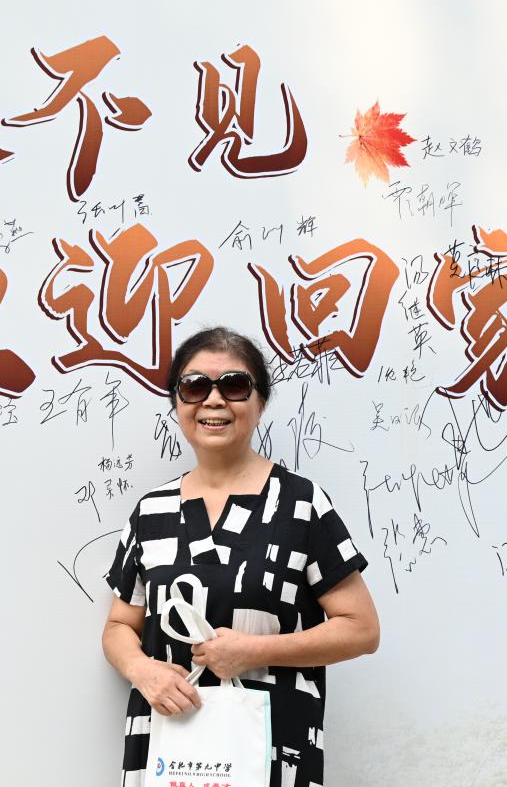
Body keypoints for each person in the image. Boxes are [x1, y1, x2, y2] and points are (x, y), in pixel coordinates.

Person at [102, 327, 380, 787]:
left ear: (260, 402)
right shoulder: (152, 512)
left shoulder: (301, 505)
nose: (213, 400)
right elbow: (118, 625)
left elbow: (362, 630)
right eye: (195, 386)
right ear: (177, 403)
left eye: (233, 385)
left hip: (273, 747)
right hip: (169, 745)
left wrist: (253, 651)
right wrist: (142, 670)